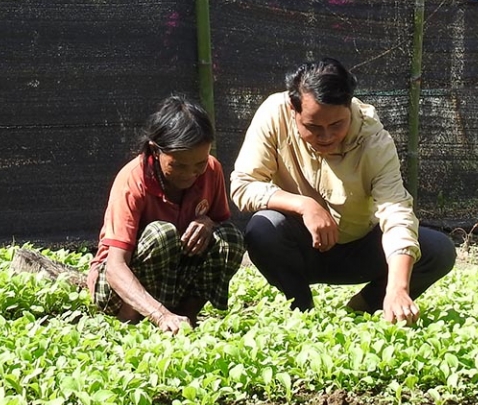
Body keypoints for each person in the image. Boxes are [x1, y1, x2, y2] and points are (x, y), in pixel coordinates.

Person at [231, 58, 455, 324]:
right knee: (262, 229)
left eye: (337, 125)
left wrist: (397, 288)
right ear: (294, 110)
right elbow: (243, 185)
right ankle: (302, 311)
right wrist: (305, 206)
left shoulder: (374, 138)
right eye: (313, 127)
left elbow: (396, 212)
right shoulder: (273, 114)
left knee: (438, 250)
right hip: (300, 249)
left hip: (359, 249)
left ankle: (365, 306)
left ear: (349, 107)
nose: (326, 136)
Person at [86, 95, 245, 334]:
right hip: (115, 289)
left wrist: (207, 222)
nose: (191, 173)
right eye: (179, 165)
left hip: (172, 281)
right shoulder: (133, 180)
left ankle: (186, 317)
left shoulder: (212, 169)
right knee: (162, 234)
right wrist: (160, 315)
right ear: (155, 150)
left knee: (230, 237)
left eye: (199, 164)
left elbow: (221, 223)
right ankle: (129, 320)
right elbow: (115, 267)